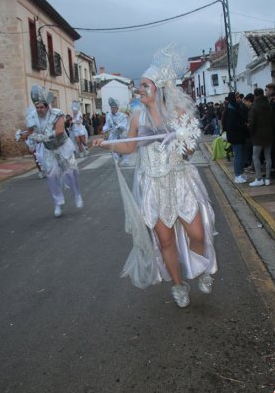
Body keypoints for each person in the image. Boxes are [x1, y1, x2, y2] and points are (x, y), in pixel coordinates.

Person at [93, 48, 217, 309]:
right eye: (140, 85)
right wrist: (107, 145)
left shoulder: (178, 112)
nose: (141, 89)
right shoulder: (137, 115)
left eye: (145, 84)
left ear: (159, 87)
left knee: (198, 234)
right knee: (165, 240)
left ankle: (203, 268)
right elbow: (129, 147)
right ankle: (177, 285)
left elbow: (190, 150)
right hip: (152, 184)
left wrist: (183, 143)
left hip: (180, 181)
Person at [20, 86, 83, 217]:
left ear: (47, 106)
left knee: (71, 172)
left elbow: (60, 131)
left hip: (62, 146)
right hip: (49, 149)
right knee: (52, 175)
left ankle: (77, 194)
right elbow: (31, 132)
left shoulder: (57, 113)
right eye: (37, 107)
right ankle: (58, 203)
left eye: (41, 107)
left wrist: (44, 136)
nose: (39, 110)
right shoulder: (32, 117)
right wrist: (25, 136)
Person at [248, 88, 274, 186]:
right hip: (269, 134)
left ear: (255, 95)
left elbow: (253, 122)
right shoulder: (269, 105)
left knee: (255, 157)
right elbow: (273, 120)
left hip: (258, 135)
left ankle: (259, 178)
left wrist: (251, 132)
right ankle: (267, 179)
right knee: (268, 157)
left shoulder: (255, 106)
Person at [224, 92, 248, 184]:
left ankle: (240, 173)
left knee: (240, 155)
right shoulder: (231, 109)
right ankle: (237, 175)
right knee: (238, 156)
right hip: (236, 136)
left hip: (239, 136)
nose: (239, 99)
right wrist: (243, 125)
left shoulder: (234, 107)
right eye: (237, 97)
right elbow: (231, 125)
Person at [102, 97, 129, 165]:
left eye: (114, 108)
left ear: (117, 108)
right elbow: (107, 125)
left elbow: (124, 125)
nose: (112, 109)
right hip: (113, 134)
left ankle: (125, 160)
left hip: (121, 133)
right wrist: (104, 129)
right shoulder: (108, 116)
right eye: (111, 108)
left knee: (124, 146)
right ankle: (116, 158)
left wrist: (119, 126)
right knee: (112, 146)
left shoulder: (122, 116)